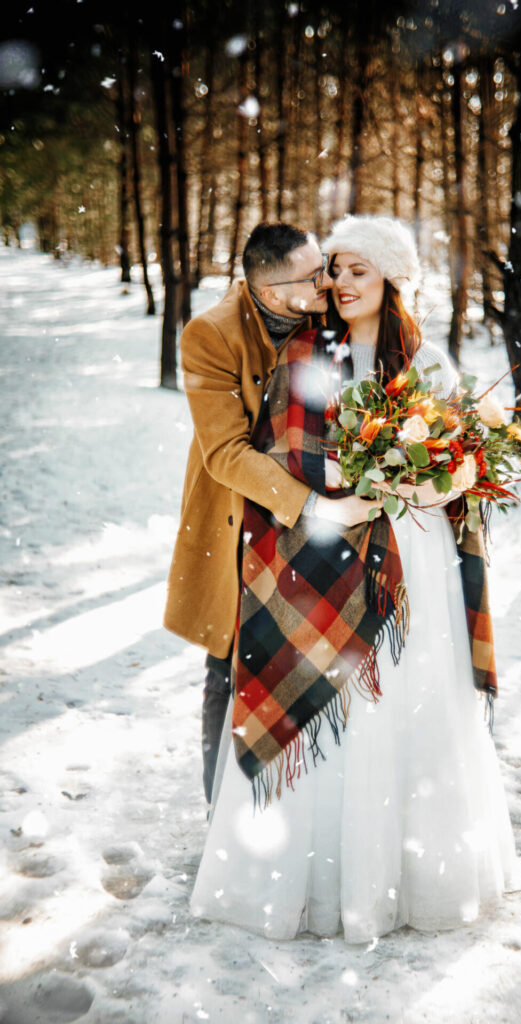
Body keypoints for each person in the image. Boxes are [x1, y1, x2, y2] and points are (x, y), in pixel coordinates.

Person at [189, 215, 516, 943]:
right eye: (332, 269)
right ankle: (314, 875)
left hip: (415, 556)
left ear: (391, 280)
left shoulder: (426, 359)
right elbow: (280, 449)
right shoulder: (306, 353)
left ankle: (411, 872)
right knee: (326, 691)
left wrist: (431, 479)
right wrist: (342, 488)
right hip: (326, 546)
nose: (338, 282)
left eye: (355, 269)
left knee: (411, 697)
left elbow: (465, 457)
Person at [164, 222, 379, 804]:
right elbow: (226, 454)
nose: (328, 280)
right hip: (237, 517)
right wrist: (315, 507)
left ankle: (305, 807)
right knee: (231, 663)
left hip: (319, 525)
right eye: (315, 276)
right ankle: (222, 810)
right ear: (273, 292)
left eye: (325, 265)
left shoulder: (324, 316)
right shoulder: (210, 335)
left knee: (311, 658)